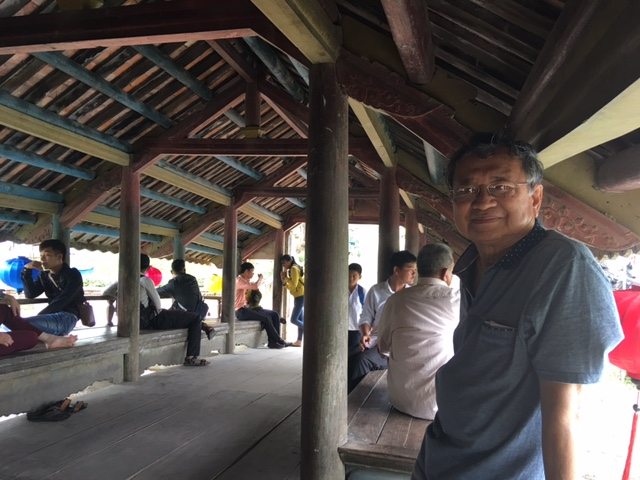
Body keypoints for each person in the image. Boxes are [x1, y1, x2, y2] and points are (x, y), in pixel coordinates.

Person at [412, 134, 623, 479]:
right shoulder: (471, 262)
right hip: (439, 455)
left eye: (501, 187)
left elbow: (566, 416)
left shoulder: (562, 267)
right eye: (466, 190)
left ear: (535, 198)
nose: (482, 202)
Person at [377, 243, 460, 420]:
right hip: (440, 404)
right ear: (445, 273)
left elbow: (383, 346)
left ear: (419, 270)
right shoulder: (457, 300)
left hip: (400, 400)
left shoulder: (395, 300)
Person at [348, 250, 417, 392]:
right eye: (411, 270)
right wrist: (365, 333)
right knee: (356, 360)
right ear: (396, 270)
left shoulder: (413, 294)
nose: (414, 274)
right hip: (378, 344)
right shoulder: (376, 291)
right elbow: (366, 317)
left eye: (415, 270)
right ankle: (354, 399)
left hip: (403, 348)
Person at [21, 239, 86, 335]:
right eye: (41, 255)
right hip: (51, 316)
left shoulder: (73, 274)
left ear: (59, 257)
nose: (42, 259)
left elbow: (63, 299)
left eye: (47, 255)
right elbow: (30, 294)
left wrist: (39, 316)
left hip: (68, 317)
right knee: (17, 325)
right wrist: (26, 271)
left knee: (22, 324)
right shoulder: (44, 275)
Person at [0, 292, 77, 355]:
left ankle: (49, 339)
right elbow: (30, 293)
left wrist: (6, 297)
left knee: (3, 308)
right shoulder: (45, 279)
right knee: (30, 337)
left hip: (68, 316)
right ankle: (49, 339)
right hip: (64, 317)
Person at [280, 254, 304, 347]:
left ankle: (310, 330)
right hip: (299, 295)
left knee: (293, 319)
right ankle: (299, 341)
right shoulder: (294, 267)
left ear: (289, 261)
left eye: (284, 263)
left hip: (300, 296)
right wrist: (285, 281)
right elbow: (293, 284)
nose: (283, 265)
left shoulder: (294, 268)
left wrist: (285, 279)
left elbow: (293, 285)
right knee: (300, 319)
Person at [347, 263, 366, 357]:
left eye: (354, 275)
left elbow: (367, 312)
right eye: (349, 275)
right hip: (341, 329)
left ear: (360, 277)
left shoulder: (362, 292)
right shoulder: (339, 290)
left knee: (352, 356)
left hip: (356, 330)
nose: (351, 278)